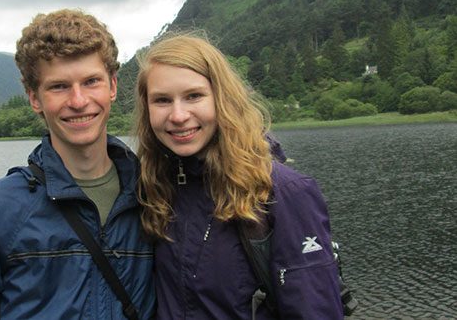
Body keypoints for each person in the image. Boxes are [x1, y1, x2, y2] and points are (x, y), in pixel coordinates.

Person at [0, 9, 155, 319]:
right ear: (34, 99)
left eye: (91, 81)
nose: (79, 101)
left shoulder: (155, 197)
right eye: (59, 86)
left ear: (112, 86)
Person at [134, 34, 343, 319]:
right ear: (147, 109)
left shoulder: (284, 192)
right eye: (162, 100)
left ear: (222, 98)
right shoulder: (156, 186)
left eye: (194, 96)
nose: (178, 115)